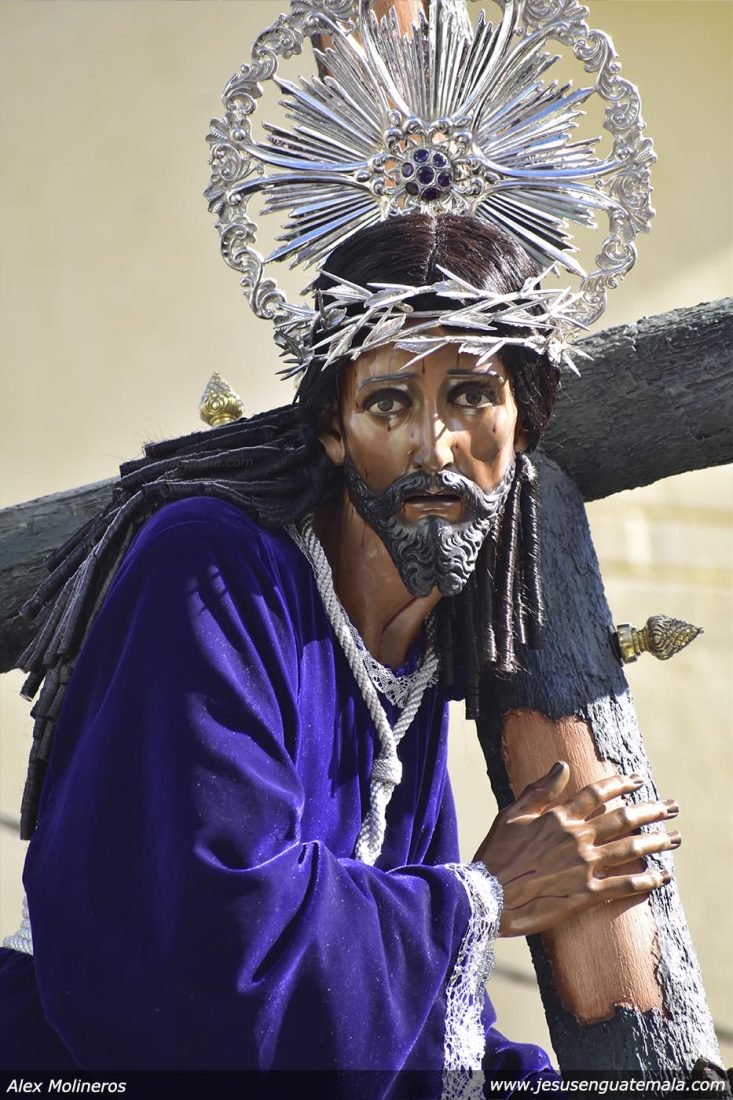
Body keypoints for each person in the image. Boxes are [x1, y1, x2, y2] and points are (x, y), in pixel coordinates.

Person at [0, 215, 679, 1093]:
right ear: (332, 427)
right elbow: (207, 952)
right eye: (389, 403)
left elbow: (405, 1019)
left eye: (471, 395)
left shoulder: (412, 655)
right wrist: (484, 896)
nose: (433, 446)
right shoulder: (211, 571)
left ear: (522, 424)